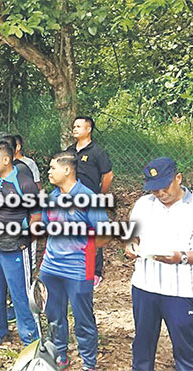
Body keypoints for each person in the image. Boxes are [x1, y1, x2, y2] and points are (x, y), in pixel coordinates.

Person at [124, 157, 193, 371]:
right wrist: (131, 247)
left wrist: (182, 257)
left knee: (185, 347)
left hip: (181, 290)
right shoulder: (143, 205)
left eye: (164, 187)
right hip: (144, 285)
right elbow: (131, 237)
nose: (160, 194)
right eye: (154, 190)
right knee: (142, 344)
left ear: (178, 178)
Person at [40, 152, 109, 371]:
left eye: (52, 168)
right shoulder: (50, 197)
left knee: (83, 317)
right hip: (50, 267)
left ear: (67, 170)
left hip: (78, 268)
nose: (49, 172)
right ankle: (61, 354)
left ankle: (89, 362)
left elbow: (104, 235)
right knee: (54, 314)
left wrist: (83, 245)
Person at [0, 139, 40, 353]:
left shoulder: (24, 183)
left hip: (15, 247)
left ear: (6, 159)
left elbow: (36, 216)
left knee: (20, 294)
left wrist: (26, 241)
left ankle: (30, 340)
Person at [66, 116, 114, 286]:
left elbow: (108, 175)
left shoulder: (97, 152)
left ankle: (95, 272)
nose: (75, 129)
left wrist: (100, 193)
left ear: (89, 129)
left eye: (79, 126)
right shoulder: (70, 151)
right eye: (74, 126)